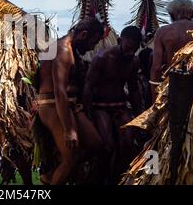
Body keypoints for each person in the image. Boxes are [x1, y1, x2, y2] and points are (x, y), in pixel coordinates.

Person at [36, 17, 104, 185]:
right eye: (92, 42)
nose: (92, 48)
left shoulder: (71, 49)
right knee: (70, 159)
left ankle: (48, 177)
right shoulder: (63, 50)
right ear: (84, 34)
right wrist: (68, 129)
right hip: (53, 105)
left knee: (96, 144)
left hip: (68, 105)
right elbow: (60, 91)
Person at [82, 26, 143, 183]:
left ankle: (116, 180)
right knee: (106, 146)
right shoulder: (102, 58)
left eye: (134, 50)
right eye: (129, 48)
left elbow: (134, 89)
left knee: (128, 144)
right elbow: (88, 87)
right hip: (100, 106)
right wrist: (88, 116)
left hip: (120, 106)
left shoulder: (134, 62)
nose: (131, 53)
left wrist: (140, 115)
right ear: (119, 40)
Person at [150, 0, 193, 100]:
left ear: (172, 14)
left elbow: (156, 67)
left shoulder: (163, 32)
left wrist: (154, 98)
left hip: (172, 86)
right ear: (191, 13)